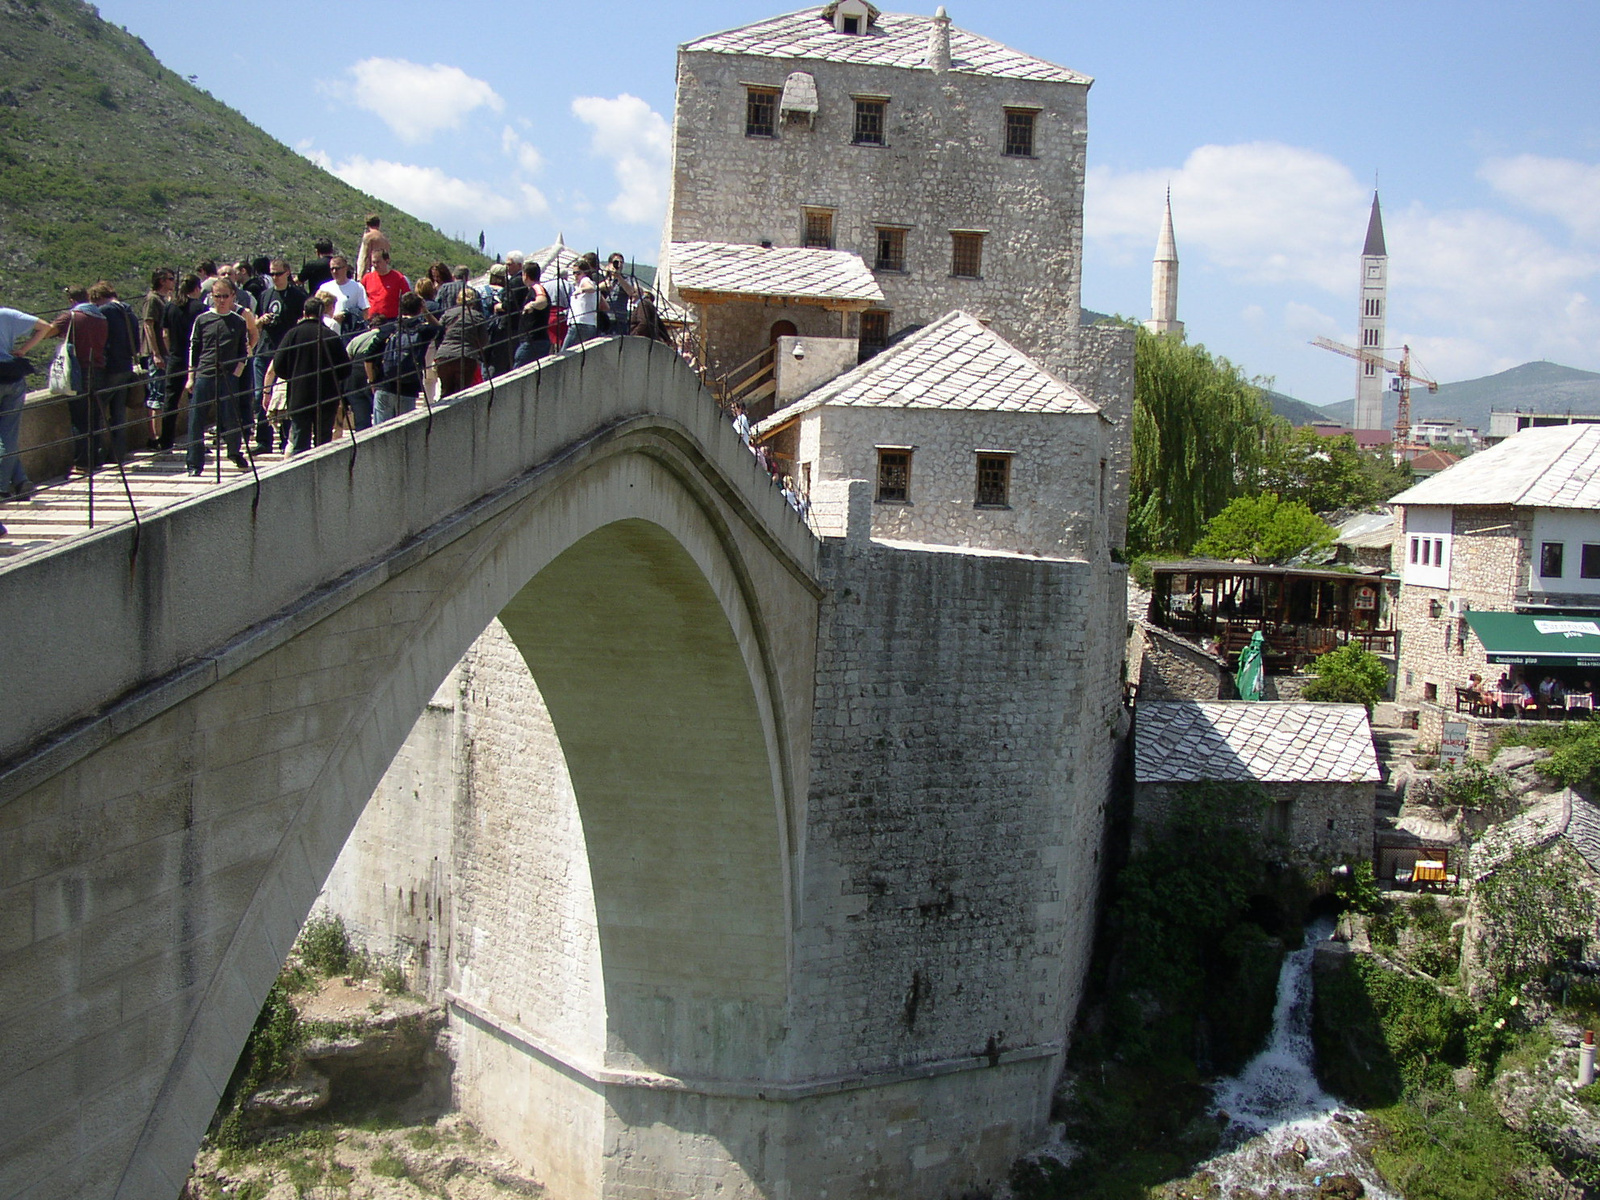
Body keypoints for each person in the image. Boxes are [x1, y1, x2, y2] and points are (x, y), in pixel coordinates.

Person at [185, 277, 253, 475]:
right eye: (217, 296)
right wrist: (191, 376)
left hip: (228, 375)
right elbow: (194, 348)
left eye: (225, 296)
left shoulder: (238, 321)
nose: (221, 300)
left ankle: (234, 451)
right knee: (196, 418)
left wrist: (237, 372)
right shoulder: (202, 319)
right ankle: (194, 463)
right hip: (205, 372)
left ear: (233, 296)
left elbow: (244, 350)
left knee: (230, 417)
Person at [265, 295, 349, 455]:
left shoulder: (292, 335)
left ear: (304, 312)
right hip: (326, 397)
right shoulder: (330, 336)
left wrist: (293, 375)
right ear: (322, 313)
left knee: (299, 442)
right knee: (323, 443)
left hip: (299, 394)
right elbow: (345, 370)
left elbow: (279, 365)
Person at [51, 287, 109, 474]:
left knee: (79, 418)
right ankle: (96, 459)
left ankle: (82, 463)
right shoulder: (100, 317)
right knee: (94, 416)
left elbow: (49, 331)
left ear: (71, 300)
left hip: (78, 370)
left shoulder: (72, 316)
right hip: (98, 369)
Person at [253, 259, 307, 454]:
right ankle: (263, 440)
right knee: (261, 394)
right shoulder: (265, 295)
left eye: (278, 274)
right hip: (265, 349)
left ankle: (285, 438)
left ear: (287, 273)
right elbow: (256, 321)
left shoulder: (297, 296)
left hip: (286, 352)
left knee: (285, 395)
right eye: (272, 274)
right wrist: (261, 320)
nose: (275, 278)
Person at [0, 304, 53, 498]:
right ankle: (21, 481)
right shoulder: (6, 314)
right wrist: (22, 350)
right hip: (12, 376)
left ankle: (2, 487)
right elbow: (45, 327)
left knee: (5, 436)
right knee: (8, 433)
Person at [367, 292, 438, 423]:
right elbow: (438, 328)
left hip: (385, 385)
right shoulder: (422, 331)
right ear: (419, 308)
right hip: (409, 387)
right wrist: (425, 311)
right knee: (404, 431)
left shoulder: (389, 329)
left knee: (381, 431)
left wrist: (372, 382)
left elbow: (368, 357)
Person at [90, 281, 139, 465]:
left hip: (110, 367)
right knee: (118, 413)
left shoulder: (105, 312)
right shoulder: (130, 312)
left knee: (97, 411)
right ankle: (118, 453)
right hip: (126, 366)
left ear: (98, 297)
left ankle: (97, 454)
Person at [140, 269, 176, 448]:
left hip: (166, 352)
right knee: (156, 393)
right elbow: (148, 325)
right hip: (157, 354)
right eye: (170, 279)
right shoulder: (153, 299)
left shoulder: (165, 300)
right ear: (162, 281)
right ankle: (155, 437)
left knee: (162, 392)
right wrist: (155, 353)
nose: (173, 282)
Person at [435, 286, 486, 398]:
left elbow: (438, 333)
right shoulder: (477, 316)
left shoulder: (448, 313)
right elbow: (483, 341)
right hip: (466, 356)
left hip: (444, 355)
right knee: (463, 393)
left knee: (445, 392)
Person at [561, 254, 604, 350]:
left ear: (585, 272)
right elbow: (604, 305)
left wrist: (581, 290)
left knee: (564, 353)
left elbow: (590, 288)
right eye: (574, 273)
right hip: (591, 324)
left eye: (578, 273)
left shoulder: (585, 280)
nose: (575, 275)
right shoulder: (593, 285)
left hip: (579, 323)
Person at [512, 262, 551, 369]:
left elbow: (542, 300)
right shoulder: (533, 289)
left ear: (525, 275)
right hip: (536, 340)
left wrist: (531, 305)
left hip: (533, 341)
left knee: (518, 372)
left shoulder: (536, 287)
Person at [361, 251, 410, 324]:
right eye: (373, 262)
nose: (375, 265)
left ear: (387, 261)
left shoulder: (398, 278)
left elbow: (407, 298)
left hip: (391, 321)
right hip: (371, 321)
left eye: (378, 262)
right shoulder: (367, 278)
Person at [323, 256, 369, 329]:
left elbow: (365, 312)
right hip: (328, 330)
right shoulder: (324, 288)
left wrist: (346, 315)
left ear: (346, 268)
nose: (334, 271)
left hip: (348, 330)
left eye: (337, 268)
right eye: (332, 269)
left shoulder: (357, 287)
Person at [600, 252, 638, 334]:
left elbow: (631, 292)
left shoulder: (626, 279)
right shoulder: (603, 278)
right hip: (604, 318)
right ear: (610, 264)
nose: (619, 265)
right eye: (616, 262)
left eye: (621, 262)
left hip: (619, 319)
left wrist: (619, 277)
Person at [356, 215, 391, 280]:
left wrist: (361, 276)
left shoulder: (369, 237)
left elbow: (365, 257)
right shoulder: (385, 240)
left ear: (367, 224)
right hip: (383, 272)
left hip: (371, 272)